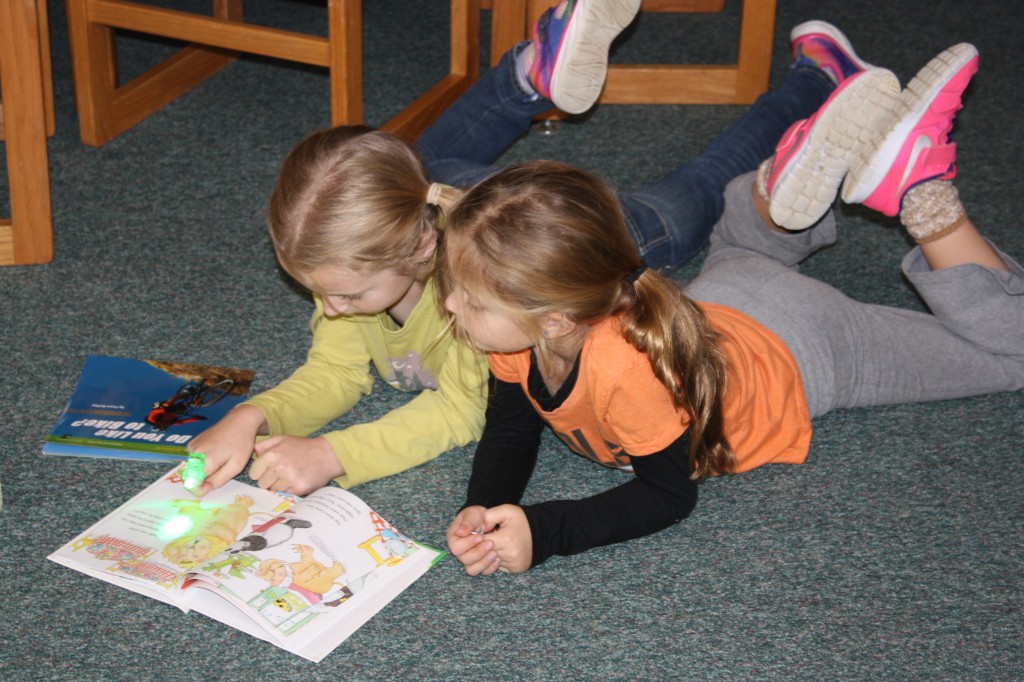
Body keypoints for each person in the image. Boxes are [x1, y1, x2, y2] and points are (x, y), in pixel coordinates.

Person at [188, 0, 854, 496]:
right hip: (473, 196)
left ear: (421, 246)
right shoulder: (365, 256)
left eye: (347, 295)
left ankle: (820, 81)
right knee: (422, 161)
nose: (331, 309)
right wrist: (254, 414)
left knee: (705, 186)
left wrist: (335, 454)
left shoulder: (480, 297)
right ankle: (530, 72)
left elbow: (459, 412)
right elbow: (334, 371)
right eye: (320, 292)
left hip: (573, 233)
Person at [439, 43, 1024, 576]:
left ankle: (923, 194)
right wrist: (486, 503)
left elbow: (668, 495)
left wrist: (545, 531)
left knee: (1013, 356)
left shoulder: (623, 369)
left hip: (809, 348)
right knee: (741, 248)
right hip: (722, 296)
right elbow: (512, 424)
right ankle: (772, 194)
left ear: (555, 320)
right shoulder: (529, 334)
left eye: (472, 301)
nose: (448, 304)